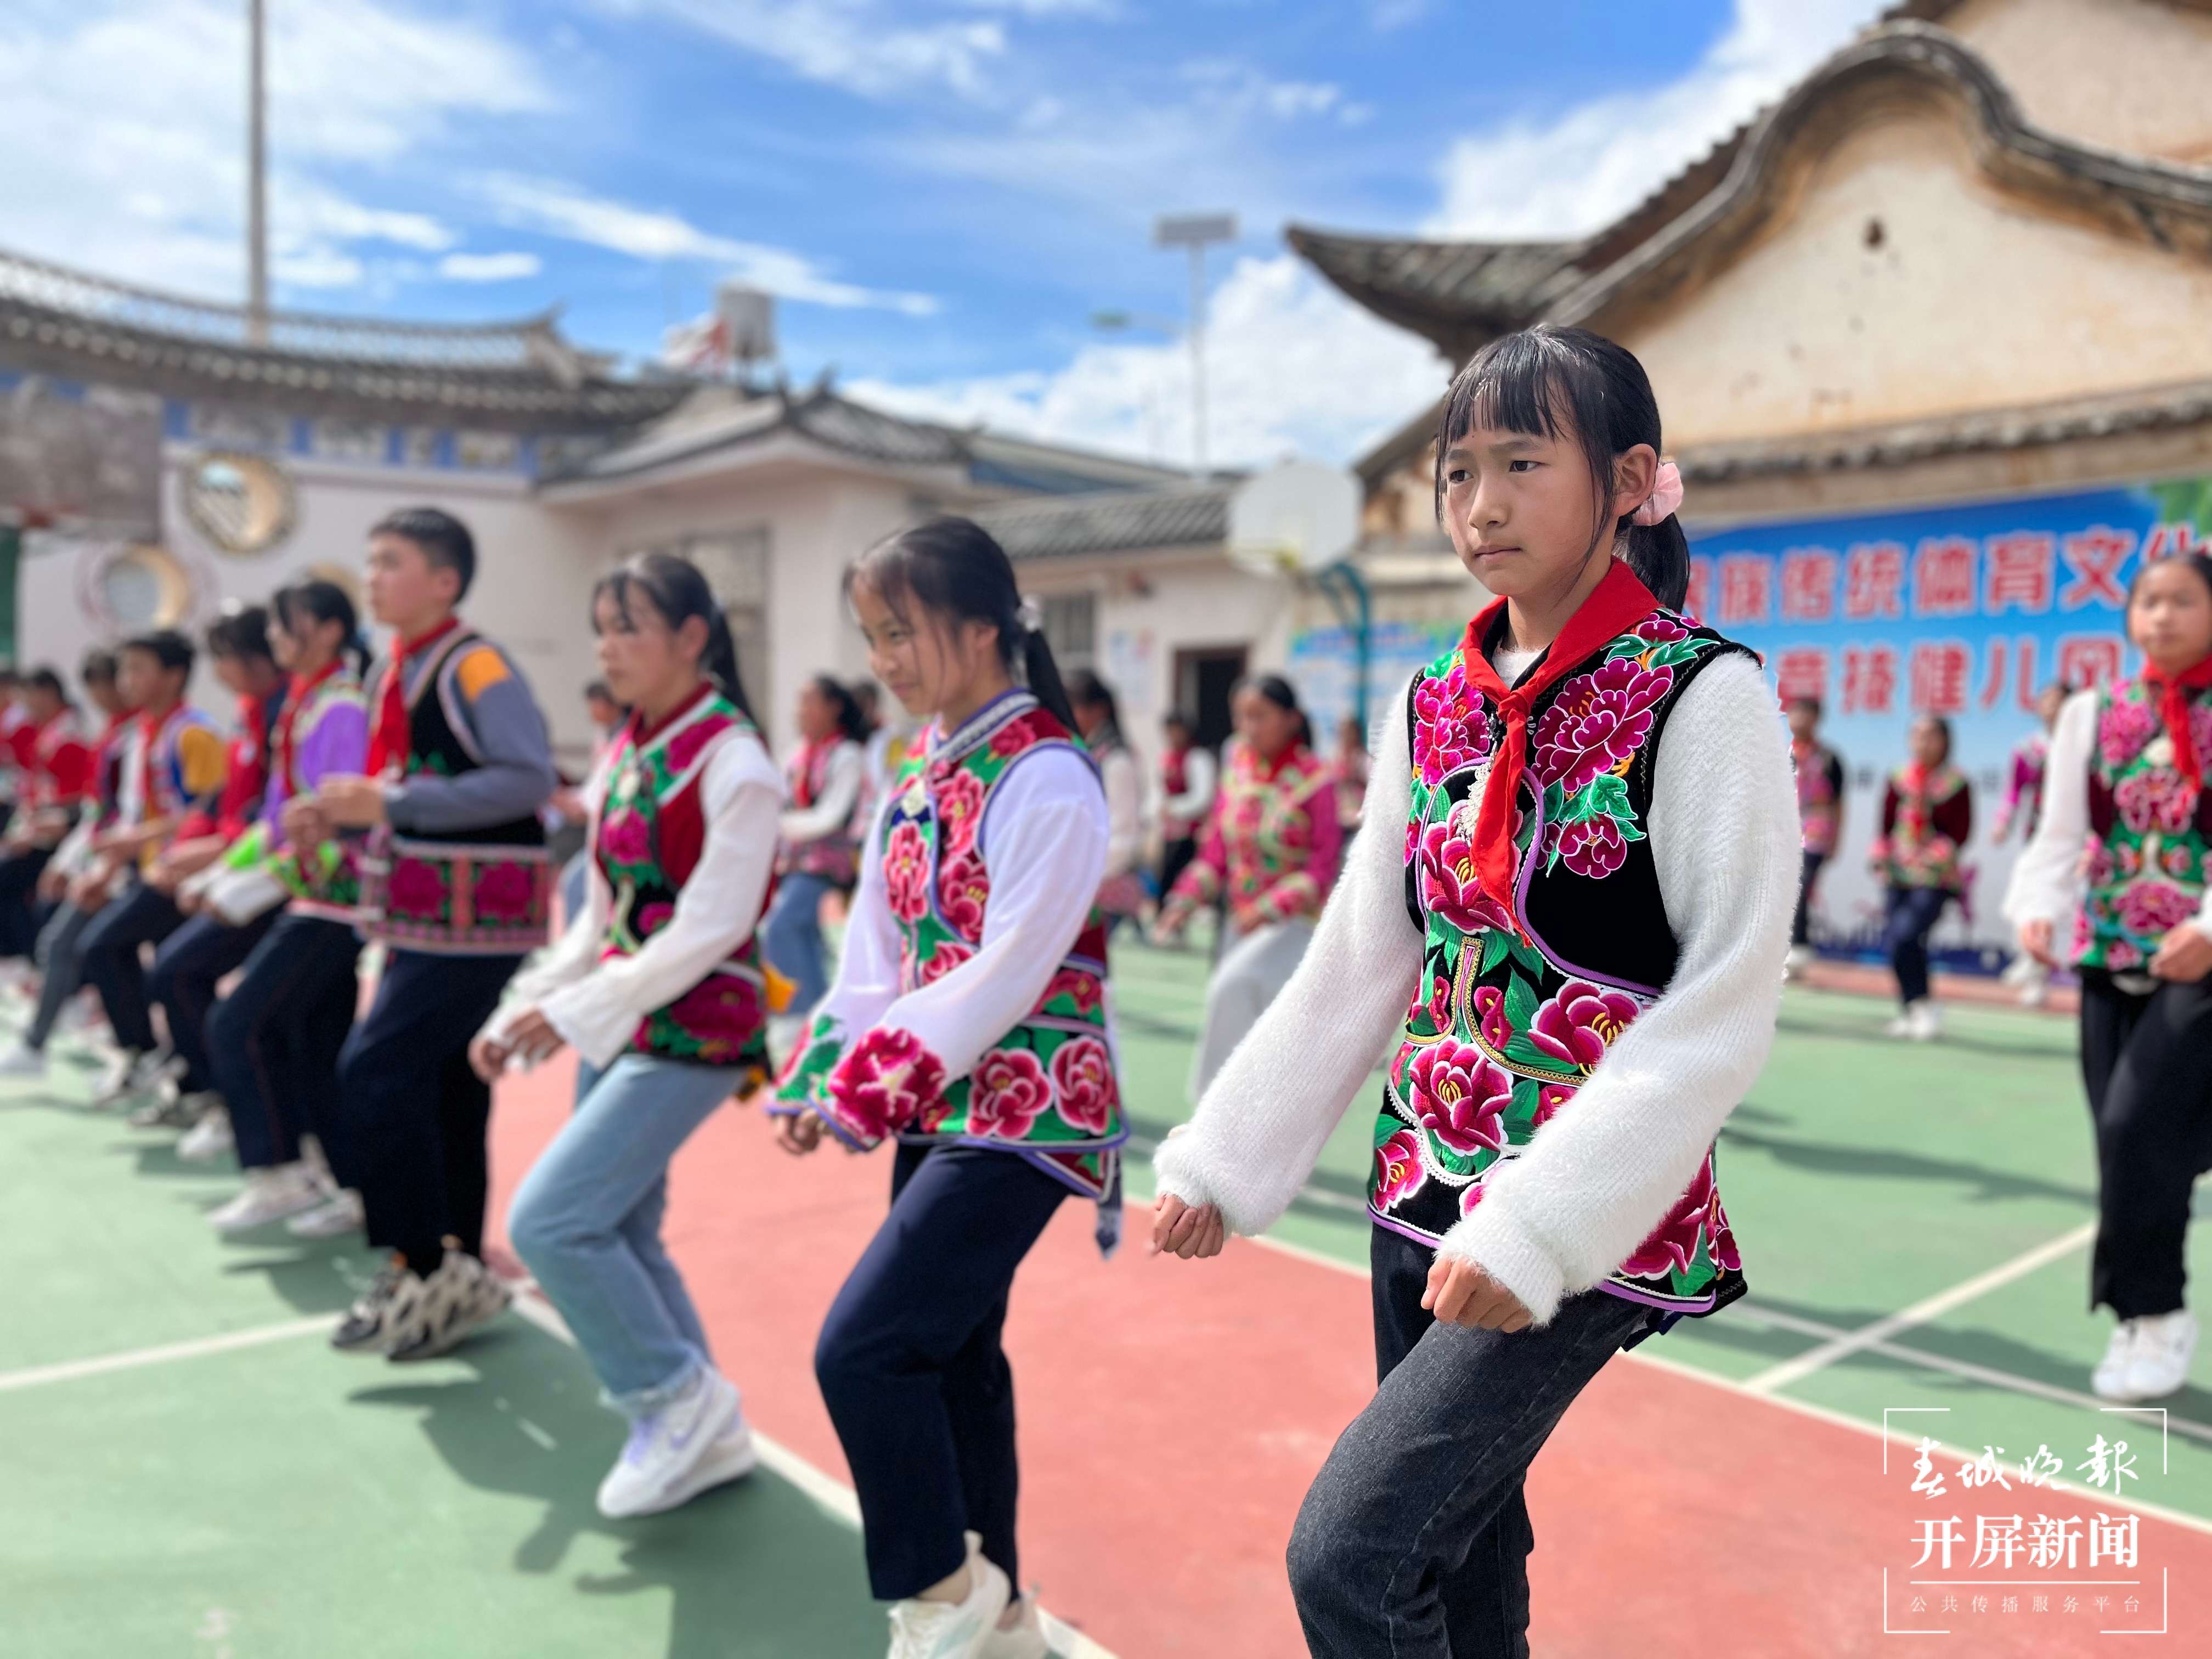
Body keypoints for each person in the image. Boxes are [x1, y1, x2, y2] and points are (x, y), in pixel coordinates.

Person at [1149, 324, 1797, 1659]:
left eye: (1520, 462)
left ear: (1628, 481)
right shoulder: (1434, 701)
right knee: (1460, 1556)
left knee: (1353, 1555)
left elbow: (1725, 999)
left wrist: (1540, 1230)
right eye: (1457, 472)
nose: (1480, 505)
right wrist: (1227, 1154)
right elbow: (1362, 950)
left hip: (1587, 1204)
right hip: (1424, 1180)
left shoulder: (1705, 697)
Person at [770, 517, 1125, 1659]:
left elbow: (1006, 973)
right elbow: (873, 954)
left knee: (864, 1350)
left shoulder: (1048, 775)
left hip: (1029, 1109)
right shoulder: (920, 775)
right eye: (871, 636)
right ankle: (1005, 1610)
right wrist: (818, 1070)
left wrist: (868, 1083)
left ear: (981, 629)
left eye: (899, 632)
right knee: (956, 1352)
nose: (883, 659)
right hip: (946, 1103)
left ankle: (938, 1596)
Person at [478, 551, 781, 1519]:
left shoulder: (737, 761)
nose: (607, 645)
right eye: (601, 624)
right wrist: (532, 995)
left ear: (694, 637)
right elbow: (599, 909)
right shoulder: (633, 747)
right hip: (626, 1012)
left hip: (695, 1025)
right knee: (619, 1223)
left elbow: (707, 928)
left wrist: (568, 1011)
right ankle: (703, 1421)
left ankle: (673, 1398)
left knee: (551, 1220)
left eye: (630, 625)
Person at [292, 507, 558, 1363]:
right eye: (370, 561)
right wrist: (340, 817)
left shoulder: (473, 664)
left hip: (478, 918)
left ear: (444, 581)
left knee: (374, 1071)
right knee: (446, 1085)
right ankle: (452, 1269)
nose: (371, 577)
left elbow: (525, 779)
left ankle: (420, 1260)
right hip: (424, 911)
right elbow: (400, 790)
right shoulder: (394, 671)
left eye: (390, 561)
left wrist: (392, 803)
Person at [2005, 551, 2212, 1404]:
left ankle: (2160, 1315)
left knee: (2136, 1128)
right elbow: (2060, 835)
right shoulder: (2094, 714)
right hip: (2110, 948)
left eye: (2183, 602)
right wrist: (2037, 908)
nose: (2160, 617)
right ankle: (2136, 1314)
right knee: (2124, 1146)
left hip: (2200, 963)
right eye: (2148, 602)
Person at [198, 580, 373, 1234]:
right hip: (309, 897)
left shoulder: (341, 709)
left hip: (334, 906)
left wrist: (265, 879)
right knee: (314, 1047)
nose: (274, 641)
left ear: (328, 630)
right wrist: (229, 871)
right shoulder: (306, 705)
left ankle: (279, 1172)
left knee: (236, 1022)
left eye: (284, 626)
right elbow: (277, 817)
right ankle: (351, 1186)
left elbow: (338, 822)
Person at [127, 607, 291, 1143]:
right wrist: (192, 850)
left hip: (271, 875)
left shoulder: (287, 710)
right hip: (232, 862)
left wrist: (218, 858)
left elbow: (277, 812)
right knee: (176, 972)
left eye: (227, 655)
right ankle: (207, 1089)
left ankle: (234, 1106)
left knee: (188, 978)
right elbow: (221, 800)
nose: (220, 670)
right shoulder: (250, 713)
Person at [1153, 675, 1340, 1099]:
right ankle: (1230, 1123)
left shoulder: (1316, 778)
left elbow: (1321, 867)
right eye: (1242, 717)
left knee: (1233, 994)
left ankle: (1212, 1111)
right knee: (1247, 1028)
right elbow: (1217, 852)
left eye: (1260, 716)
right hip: (1241, 925)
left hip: (1294, 928)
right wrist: (1183, 901)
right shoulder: (1236, 769)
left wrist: (1268, 909)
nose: (1248, 727)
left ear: (1291, 719)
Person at [69, 630, 229, 1102]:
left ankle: (155, 1058)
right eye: (124, 670)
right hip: (150, 869)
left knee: (103, 947)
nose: (127, 680)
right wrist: (112, 861)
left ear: (174, 675)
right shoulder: (143, 732)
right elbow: (135, 809)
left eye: (138, 669)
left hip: (182, 873)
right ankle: (184, 1072)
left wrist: (141, 841)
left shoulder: (194, 733)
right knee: (168, 972)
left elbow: (210, 810)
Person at [0, 652, 134, 1076]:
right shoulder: (117, 733)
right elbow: (101, 811)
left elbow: (120, 813)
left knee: (93, 947)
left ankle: (117, 1036)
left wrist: (83, 852)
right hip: (106, 857)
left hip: (130, 864)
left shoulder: (102, 735)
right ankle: (100, 1027)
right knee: (84, 945)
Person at [760, 674, 868, 1020]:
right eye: (800, 701)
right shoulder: (799, 754)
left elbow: (833, 816)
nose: (801, 710)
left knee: (783, 925)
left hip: (826, 862)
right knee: (804, 932)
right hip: (792, 862)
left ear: (834, 708)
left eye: (810, 701)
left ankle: (805, 1010)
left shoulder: (847, 754)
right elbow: (778, 799)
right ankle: (825, 1009)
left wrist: (780, 826)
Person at [1872, 714, 1972, 1041]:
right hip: (1897, 873)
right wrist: (1883, 855)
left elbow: (1961, 832)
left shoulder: (1956, 783)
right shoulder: (1898, 778)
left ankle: (1920, 1006)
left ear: (1945, 741)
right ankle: (1915, 1007)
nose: (1923, 742)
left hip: (1934, 878)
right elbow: (1885, 824)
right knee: (1901, 943)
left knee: (1907, 934)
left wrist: (1931, 856)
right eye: (1916, 734)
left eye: (1931, 735)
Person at [0, 668, 96, 968]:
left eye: (30, 698)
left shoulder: (69, 733)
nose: (26, 706)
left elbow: (78, 796)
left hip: (65, 829)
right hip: (45, 822)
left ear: (49, 694)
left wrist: (33, 824)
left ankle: (31, 963)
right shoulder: (50, 729)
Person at [1994, 680, 2072, 1007]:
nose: (2051, 707)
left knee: (2056, 905)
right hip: (2039, 835)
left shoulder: (2085, 745)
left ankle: (2045, 970)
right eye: (2046, 700)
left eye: (2058, 701)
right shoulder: (2029, 750)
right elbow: (2014, 793)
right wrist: (2003, 822)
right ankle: (2031, 962)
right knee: (2026, 896)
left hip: (2077, 837)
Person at [1066, 669, 1146, 926]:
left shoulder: (1115, 759)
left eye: (1074, 708)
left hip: (1102, 887)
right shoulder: (1087, 751)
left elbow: (1123, 832)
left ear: (1098, 710)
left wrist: (1083, 878)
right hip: (1086, 882)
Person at [1785, 695, 1846, 979]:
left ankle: (1800, 947)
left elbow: (1838, 803)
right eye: (1796, 714)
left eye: (1807, 715)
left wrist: (1836, 840)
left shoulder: (1829, 758)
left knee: (1802, 883)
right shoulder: (1779, 751)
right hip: (1784, 825)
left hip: (1816, 829)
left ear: (1817, 719)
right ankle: (1785, 949)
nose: (1800, 720)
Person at [1154, 710, 1215, 908]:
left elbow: (1202, 798)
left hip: (1191, 833)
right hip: (1171, 831)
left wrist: (1173, 807)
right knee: (1166, 879)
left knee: (1188, 879)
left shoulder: (1198, 758)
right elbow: (1159, 791)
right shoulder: (1167, 757)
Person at [1331, 714, 1372, 836]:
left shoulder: (1364, 760)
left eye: (1349, 732)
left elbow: (1373, 789)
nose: (1345, 737)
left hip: (1357, 819)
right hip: (1339, 817)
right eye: (1342, 732)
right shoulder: (1336, 757)